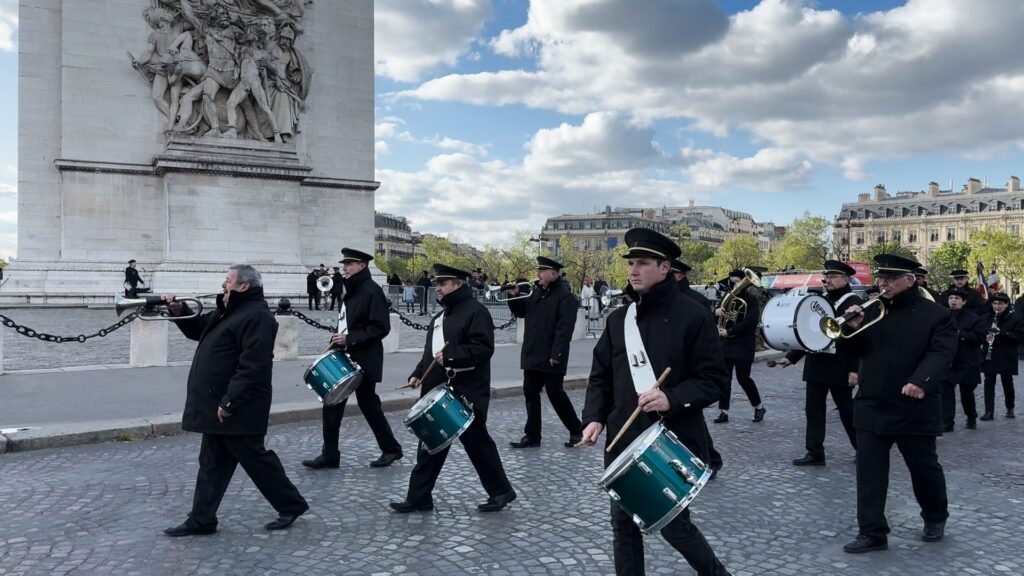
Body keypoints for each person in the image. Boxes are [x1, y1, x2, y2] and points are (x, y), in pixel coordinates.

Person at [580, 228, 731, 576]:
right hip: (624, 436)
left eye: (643, 263)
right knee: (623, 526)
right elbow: (601, 375)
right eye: (631, 263)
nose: (633, 271)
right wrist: (594, 418)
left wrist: (672, 397)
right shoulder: (619, 319)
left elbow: (714, 380)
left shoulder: (693, 315)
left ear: (665, 268)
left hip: (671, 439)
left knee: (676, 527)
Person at [161, 264, 308, 536]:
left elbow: (254, 365)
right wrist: (179, 311)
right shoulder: (230, 310)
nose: (222, 285)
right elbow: (198, 330)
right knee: (212, 463)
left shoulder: (258, 317)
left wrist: (230, 401)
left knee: (255, 459)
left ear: (244, 286)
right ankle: (202, 519)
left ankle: (292, 504)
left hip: (238, 406)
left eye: (228, 281)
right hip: (219, 402)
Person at [840, 254, 956, 553]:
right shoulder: (872, 311)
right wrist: (851, 327)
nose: (883, 284)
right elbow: (853, 350)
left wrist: (921, 381)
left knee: (923, 468)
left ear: (910, 279)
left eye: (890, 279)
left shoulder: (936, 314)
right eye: (881, 278)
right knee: (869, 473)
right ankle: (872, 532)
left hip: (913, 405)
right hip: (872, 403)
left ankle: (935, 516)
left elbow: (941, 353)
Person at [391, 264, 517, 513]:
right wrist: (418, 373)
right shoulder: (440, 316)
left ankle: (501, 491)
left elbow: (483, 348)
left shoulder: (476, 312)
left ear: (458, 285)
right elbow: (431, 352)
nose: (437, 288)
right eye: (437, 284)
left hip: (466, 391)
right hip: (438, 391)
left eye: (442, 284)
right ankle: (419, 497)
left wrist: (451, 357)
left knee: (478, 446)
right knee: (429, 444)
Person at [303, 248, 403, 469]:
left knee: (369, 406)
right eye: (345, 263)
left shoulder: (371, 291)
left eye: (350, 264)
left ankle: (391, 449)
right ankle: (330, 454)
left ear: (362, 266)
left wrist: (349, 339)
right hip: (346, 357)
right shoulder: (353, 289)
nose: (345, 267)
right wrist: (339, 339)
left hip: (364, 359)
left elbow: (380, 327)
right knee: (332, 402)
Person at [775, 260, 860, 466]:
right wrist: (790, 357)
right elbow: (807, 332)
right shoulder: (819, 300)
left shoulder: (854, 301)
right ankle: (814, 452)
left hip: (840, 363)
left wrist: (855, 369)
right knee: (813, 410)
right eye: (827, 277)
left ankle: (863, 448)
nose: (827, 281)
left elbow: (858, 339)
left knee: (847, 411)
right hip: (816, 363)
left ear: (845, 279)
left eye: (832, 277)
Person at [506, 256, 584, 449]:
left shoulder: (565, 297)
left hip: (551, 355)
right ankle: (532, 436)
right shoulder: (535, 293)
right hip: (533, 352)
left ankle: (577, 431)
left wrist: (556, 353)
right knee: (530, 393)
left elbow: (564, 329)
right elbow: (521, 312)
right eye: (539, 271)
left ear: (553, 274)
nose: (538, 275)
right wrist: (514, 295)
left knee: (555, 394)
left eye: (542, 271)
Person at [712, 270, 766, 424]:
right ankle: (723, 412)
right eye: (732, 282)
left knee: (744, 378)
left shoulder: (751, 300)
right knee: (725, 379)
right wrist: (716, 312)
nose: (734, 285)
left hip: (743, 345)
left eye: (737, 281)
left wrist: (729, 331)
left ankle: (759, 406)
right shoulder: (727, 298)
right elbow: (713, 316)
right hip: (726, 345)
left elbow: (750, 322)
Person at [942, 288, 986, 431]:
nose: (953, 301)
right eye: (951, 298)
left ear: (964, 302)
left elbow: (980, 338)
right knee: (946, 392)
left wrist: (962, 334)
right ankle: (948, 422)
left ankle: (971, 417)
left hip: (968, 361)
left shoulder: (973, 317)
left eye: (957, 299)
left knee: (966, 393)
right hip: (950, 361)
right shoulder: (943, 316)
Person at [979, 292, 1022, 421]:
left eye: (1001, 304)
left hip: (1006, 354)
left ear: (1006, 304)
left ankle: (1010, 407)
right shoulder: (986, 317)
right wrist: (985, 337)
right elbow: (979, 333)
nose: (997, 306)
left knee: (1007, 382)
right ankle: (989, 412)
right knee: (989, 382)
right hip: (989, 354)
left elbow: (1019, 337)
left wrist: (1002, 333)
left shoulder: (1014, 318)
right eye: (995, 303)